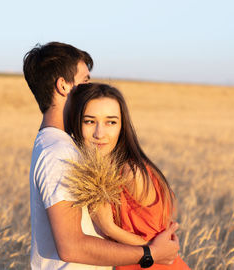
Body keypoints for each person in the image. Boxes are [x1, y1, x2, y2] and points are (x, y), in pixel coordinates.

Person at [23, 42, 180, 269]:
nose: (90, 87)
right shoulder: (59, 153)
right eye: (85, 80)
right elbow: (71, 246)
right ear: (63, 86)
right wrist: (150, 253)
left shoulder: (63, 146)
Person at [67, 83, 190, 269]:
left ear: (122, 127)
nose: (100, 134)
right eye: (90, 121)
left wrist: (110, 228)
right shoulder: (103, 171)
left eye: (111, 122)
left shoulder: (130, 172)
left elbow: (162, 251)